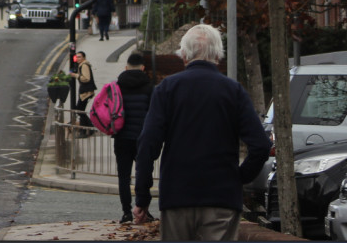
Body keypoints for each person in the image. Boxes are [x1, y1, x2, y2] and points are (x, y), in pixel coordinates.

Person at [133, 24, 271, 240]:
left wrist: (142, 197)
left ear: (184, 54)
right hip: (221, 198)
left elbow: (147, 145)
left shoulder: (167, 89)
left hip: (177, 197)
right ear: (218, 54)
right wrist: (237, 177)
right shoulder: (233, 91)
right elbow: (261, 146)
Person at [113, 52, 153, 223]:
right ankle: (143, 210)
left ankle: (126, 212)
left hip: (122, 137)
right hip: (143, 139)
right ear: (143, 68)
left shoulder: (118, 86)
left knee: (124, 176)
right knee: (144, 174)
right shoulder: (150, 87)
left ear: (126, 67)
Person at [69, 50, 97, 132]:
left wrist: (75, 75)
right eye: (77, 57)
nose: (78, 58)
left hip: (86, 92)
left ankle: (86, 130)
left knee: (79, 110)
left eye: (79, 57)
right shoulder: (81, 65)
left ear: (84, 57)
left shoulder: (84, 65)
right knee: (80, 110)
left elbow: (86, 78)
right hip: (85, 91)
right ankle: (89, 128)